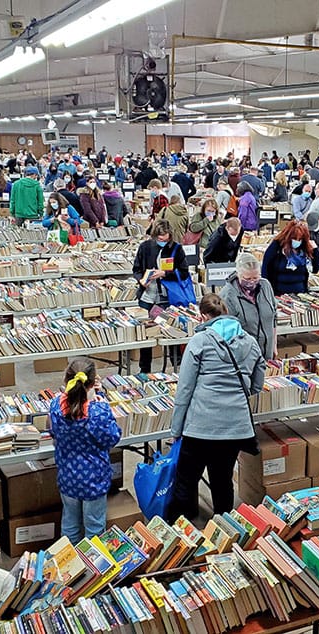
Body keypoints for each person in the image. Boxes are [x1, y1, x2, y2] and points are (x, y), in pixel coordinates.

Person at [166, 294, 265, 522]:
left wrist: (176, 429)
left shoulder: (200, 341)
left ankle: (180, 532)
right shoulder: (250, 342)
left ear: (203, 316)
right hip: (234, 427)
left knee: (186, 481)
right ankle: (225, 529)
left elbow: (185, 390)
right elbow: (257, 384)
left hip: (200, 425)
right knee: (222, 481)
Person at [49, 358, 121, 543]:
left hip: (67, 477)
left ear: (67, 380)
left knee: (69, 524)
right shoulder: (98, 412)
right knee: (94, 528)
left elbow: (54, 431)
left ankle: (68, 558)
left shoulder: (56, 406)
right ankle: (92, 560)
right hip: (94, 481)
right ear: (91, 383)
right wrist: (100, 397)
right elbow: (112, 437)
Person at [132, 220, 191, 372]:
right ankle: (145, 369)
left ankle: (177, 367)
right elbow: (136, 269)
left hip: (168, 299)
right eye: (159, 238)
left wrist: (164, 273)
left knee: (170, 330)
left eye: (165, 237)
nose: (162, 240)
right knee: (148, 333)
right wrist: (141, 280)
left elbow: (184, 272)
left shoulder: (176, 249)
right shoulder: (145, 247)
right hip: (148, 298)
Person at [220, 253, 278, 360]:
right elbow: (227, 331)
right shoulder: (228, 295)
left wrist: (274, 344)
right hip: (244, 356)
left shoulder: (265, 286)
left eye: (255, 278)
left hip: (267, 352)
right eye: (247, 278)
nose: (252, 282)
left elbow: (274, 316)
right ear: (238, 274)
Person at [261, 221, 319, 295]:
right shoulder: (277, 247)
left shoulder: (303, 250)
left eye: (300, 239)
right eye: (294, 238)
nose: (297, 241)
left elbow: (315, 270)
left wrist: (315, 251)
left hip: (300, 293)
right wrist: (267, 291)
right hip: (279, 293)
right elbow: (265, 267)